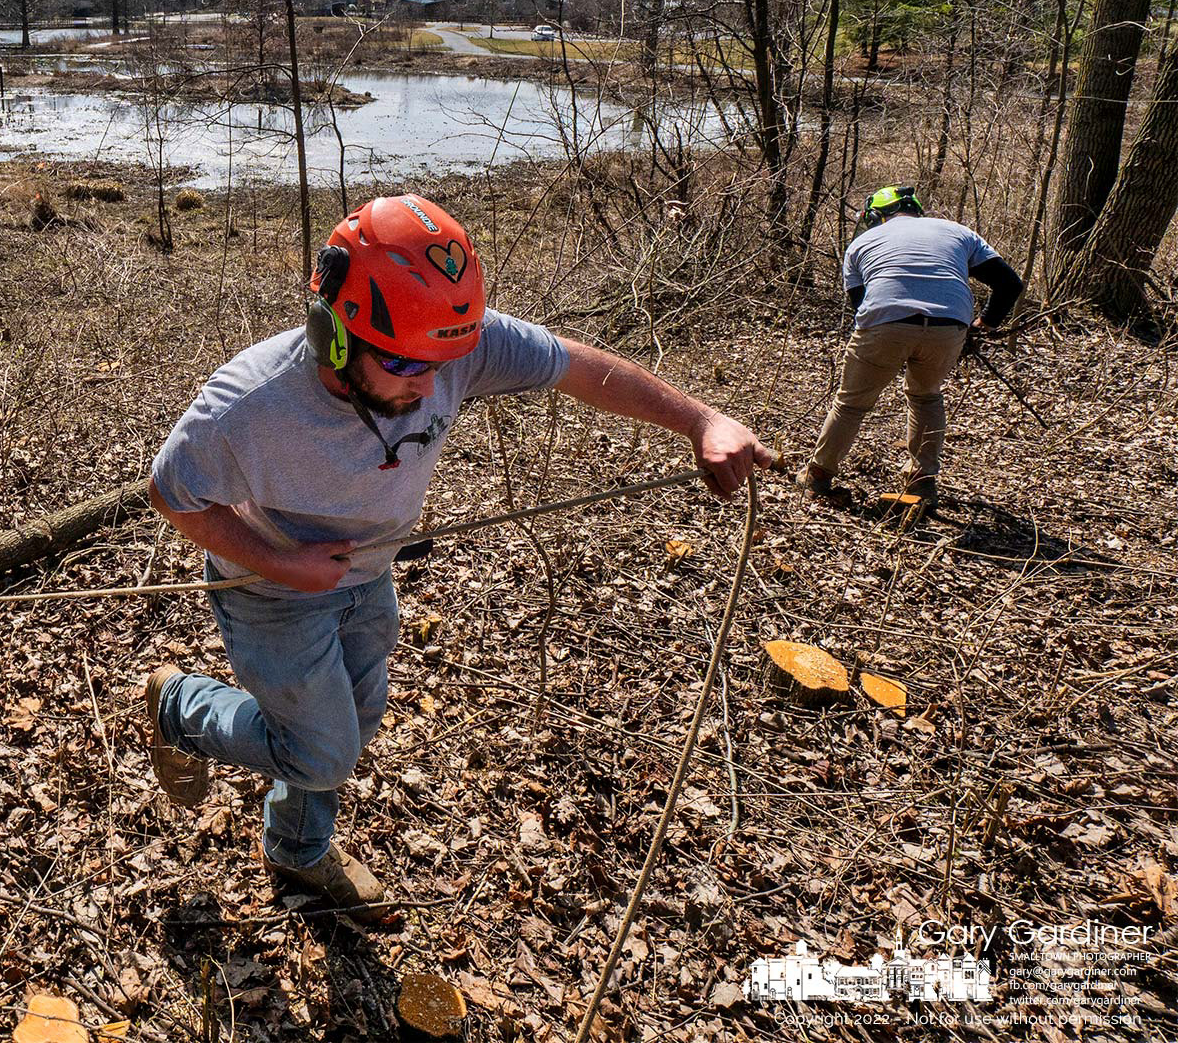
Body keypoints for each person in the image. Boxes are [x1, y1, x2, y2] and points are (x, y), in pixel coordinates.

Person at [143, 194, 773, 920]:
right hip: (272, 592)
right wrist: (285, 566)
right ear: (333, 336)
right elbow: (171, 494)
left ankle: (297, 851)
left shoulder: (444, 345)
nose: (428, 386)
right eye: (408, 365)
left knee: (355, 720)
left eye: (445, 363)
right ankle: (180, 706)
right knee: (322, 751)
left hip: (366, 575)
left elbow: (575, 367)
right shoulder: (246, 407)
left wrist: (702, 419)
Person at [798, 185, 1025, 506]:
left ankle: (818, 476)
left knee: (851, 403)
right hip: (950, 325)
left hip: (884, 322)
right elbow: (1009, 284)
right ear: (915, 209)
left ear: (877, 216)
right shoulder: (958, 232)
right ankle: (921, 484)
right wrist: (985, 323)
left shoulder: (860, 244)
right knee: (926, 397)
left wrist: (895, 339)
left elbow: (861, 305)